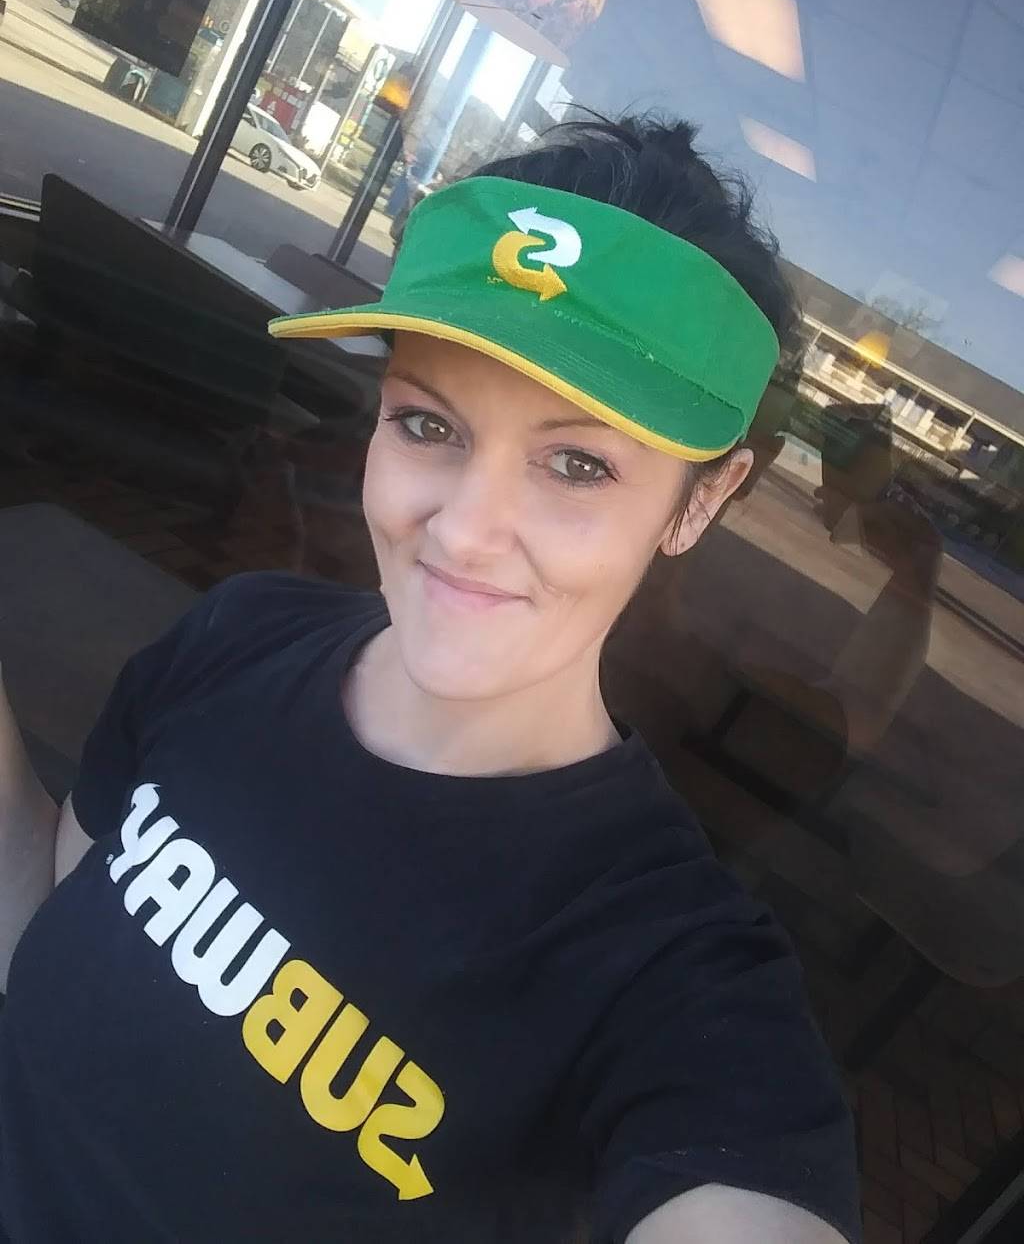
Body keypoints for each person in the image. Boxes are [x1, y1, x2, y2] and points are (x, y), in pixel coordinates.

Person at [0, 116, 861, 1243]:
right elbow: (41, 926)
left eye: (576, 462)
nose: (462, 530)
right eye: (426, 423)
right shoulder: (237, 636)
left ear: (700, 500)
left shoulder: (663, 975)